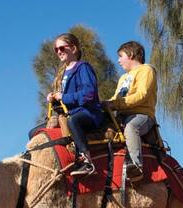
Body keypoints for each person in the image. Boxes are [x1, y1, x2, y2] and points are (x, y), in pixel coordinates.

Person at [47, 33, 106, 176]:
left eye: (62, 48)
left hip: (89, 113)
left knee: (73, 121)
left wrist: (64, 97)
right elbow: (65, 99)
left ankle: (87, 162)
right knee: (37, 131)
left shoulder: (83, 67)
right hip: (70, 113)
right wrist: (54, 98)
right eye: (56, 49)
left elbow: (89, 94)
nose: (59, 52)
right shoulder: (62, 73)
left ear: (73, 48)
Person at [103, 41, 156, 181]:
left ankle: (136, 166)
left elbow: (142, 95)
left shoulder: (146, 70)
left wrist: (116, 104)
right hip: (121, 115)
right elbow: (116, 98)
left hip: (142, 115)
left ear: (131, 54)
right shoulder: (123, 78)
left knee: (131, 128)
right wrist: (105, 104)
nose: (118, 61)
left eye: (121, 56)